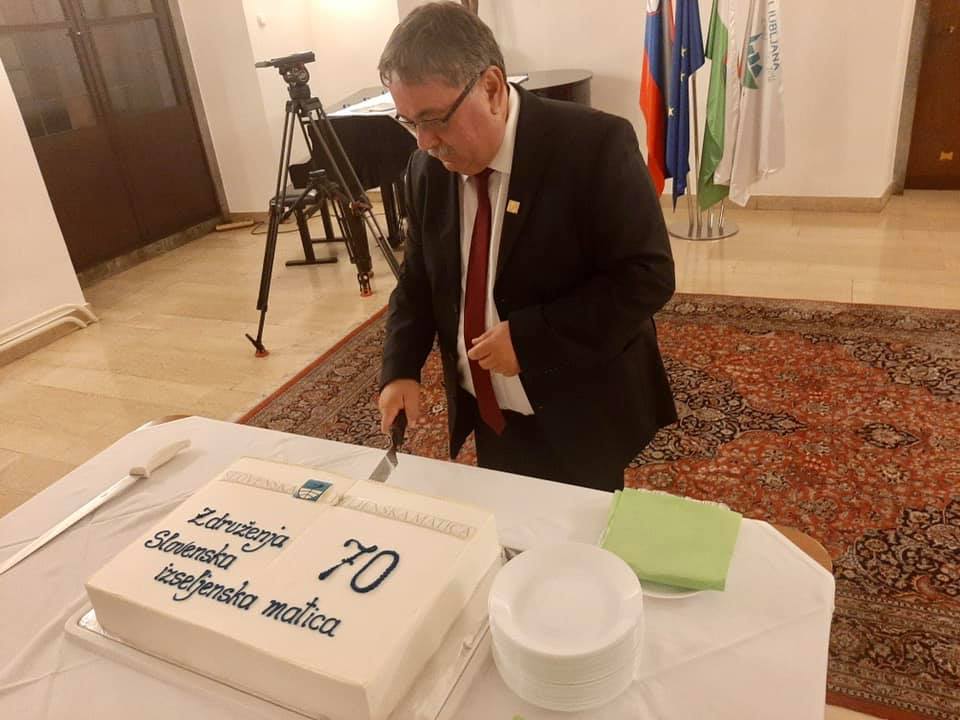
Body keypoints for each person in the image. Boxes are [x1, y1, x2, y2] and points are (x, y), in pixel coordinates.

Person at [377, 2, 677, 492]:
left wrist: (533, 338)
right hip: (489, 410)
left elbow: (647, 276)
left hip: (582, 409)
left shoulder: (594, 145)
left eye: (435, 119)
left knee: (582, 531)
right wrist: (400, 368)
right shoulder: (426, 170)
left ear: (492, 88)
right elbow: (418, 280)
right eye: (409, 122)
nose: (424, 142)